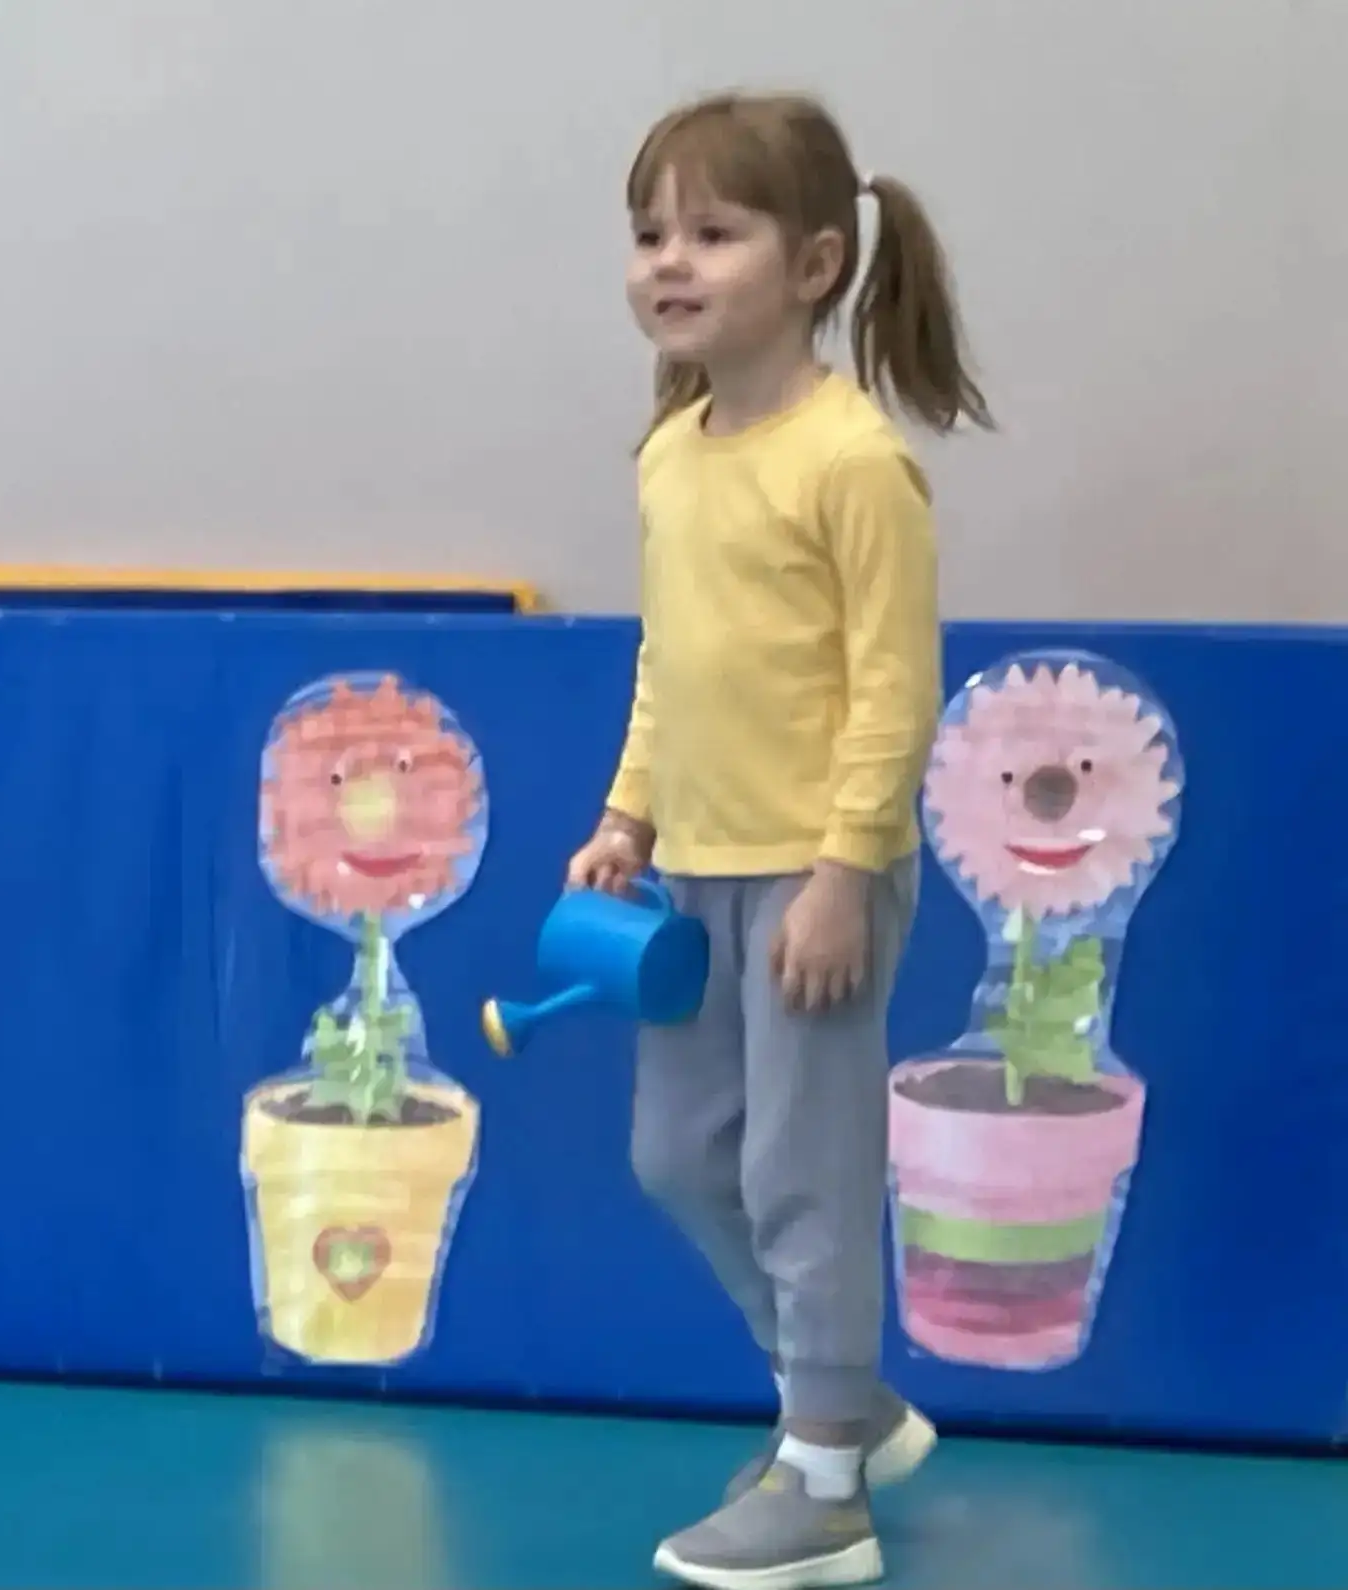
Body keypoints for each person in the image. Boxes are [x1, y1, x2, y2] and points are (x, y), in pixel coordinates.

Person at [566, 90, 994, 1590]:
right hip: (696, 870)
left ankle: (823, 1482)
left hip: (819, 876)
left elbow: (894, 688)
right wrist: (629, 810)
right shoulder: (671, 455)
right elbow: (670, 661)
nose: (670, 261)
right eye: (650, 233)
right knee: (678, 1154)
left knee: (805, 1170)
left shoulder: (852, 461)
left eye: (713, 231)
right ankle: (844, 1401)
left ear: (815, 264)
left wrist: (841, 870)